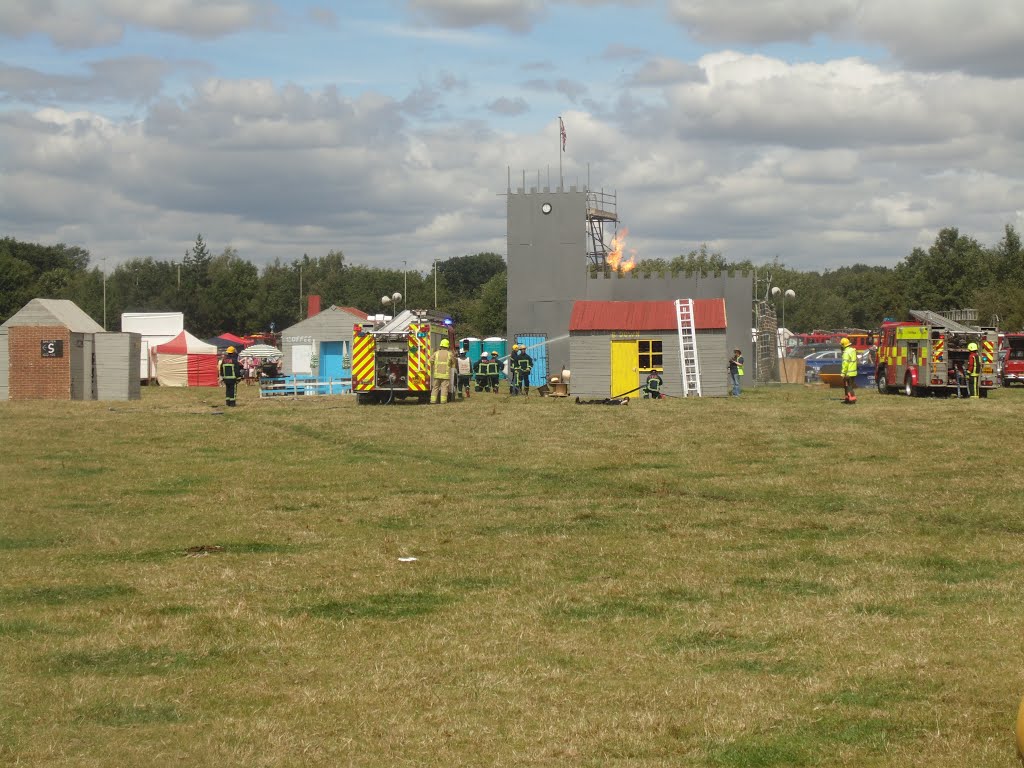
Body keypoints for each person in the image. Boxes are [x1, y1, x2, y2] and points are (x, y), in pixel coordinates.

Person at [430, 338, 454, 404]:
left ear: (441, 345)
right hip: (445, 375)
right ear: (447, 346)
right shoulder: (450, 354)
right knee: (444, 388)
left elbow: (431, 360)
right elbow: (453, 362)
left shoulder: (436, 353)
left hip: (436, 374)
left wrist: (434, 365)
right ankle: (443, 401)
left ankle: (433, 401)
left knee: (435, 388)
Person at [840, 337, 858, 404]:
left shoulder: (846, 353)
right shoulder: (853, 350)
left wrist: (843, 373)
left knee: (848, 387)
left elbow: (845, 364)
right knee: (848, 386)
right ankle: (847, 399)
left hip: (848, 373)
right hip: (853, 372)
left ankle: (852, 400)